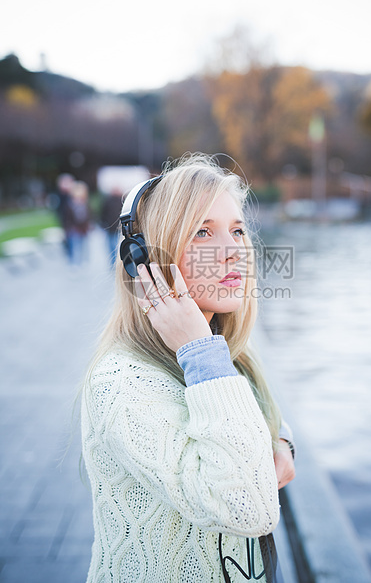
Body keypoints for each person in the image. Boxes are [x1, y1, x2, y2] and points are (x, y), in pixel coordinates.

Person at [81, 153, 295, 582]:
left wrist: (284, 443)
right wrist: (199, 349)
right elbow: (250, 510)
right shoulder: (122, 382)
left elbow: (260, 417)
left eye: (236, 231)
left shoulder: (228, 355)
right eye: (202, 232)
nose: (233, 252)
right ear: (147, 264)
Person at [66, 180, 91, 266]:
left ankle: (83, 262)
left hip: (83, 229)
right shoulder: (70, 205)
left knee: (84, 247)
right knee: (76, 247)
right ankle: (75, 263)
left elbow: (88, 216)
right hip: (74, 229)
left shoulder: (85, 204)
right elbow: (67, 218)